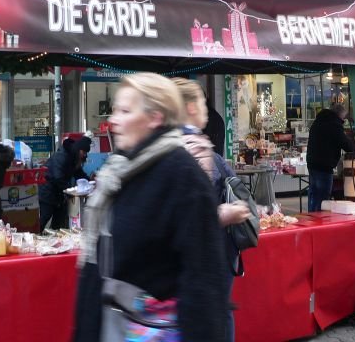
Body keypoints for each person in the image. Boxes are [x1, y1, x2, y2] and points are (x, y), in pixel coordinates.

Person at [74, 73, 227, 342]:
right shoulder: (118, 171)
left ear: (155, 117)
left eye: (125, 111)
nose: (113, 121)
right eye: (115, 110)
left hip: (153, 331)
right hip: (112, 325)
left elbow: (203, 281)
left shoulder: (183, 176)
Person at [173, 77, 250, 342]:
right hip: (209, 251)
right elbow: (195, 209)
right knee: (216, 316)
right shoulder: (195, 146)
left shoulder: (170, 143)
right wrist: (228, 213)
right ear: (192, 107)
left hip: (192, 254)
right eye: (203, 104)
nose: (207, 110)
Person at [306, 103, 355, 212]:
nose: (343, 121)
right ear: (339, 116)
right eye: (343, 118)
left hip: (312, 163)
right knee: (323, 197)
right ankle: (319, 222)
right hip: (324, 165)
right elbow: (346, 145)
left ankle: (311, 218)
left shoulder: (319, 121)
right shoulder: (334, 125)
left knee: (314, 194)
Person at [38, 136, 91, 232]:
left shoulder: (74, 158)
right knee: (45, 217)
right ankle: (33, 237)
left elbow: (79, 173)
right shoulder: (62, 156)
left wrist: (89, 181)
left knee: (59, 222)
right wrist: (69, 190)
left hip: (59, 193)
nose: (85, 155)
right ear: (79, 150)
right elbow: (58, 177)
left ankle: (54, 241)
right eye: (84, 152)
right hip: (48, 191)